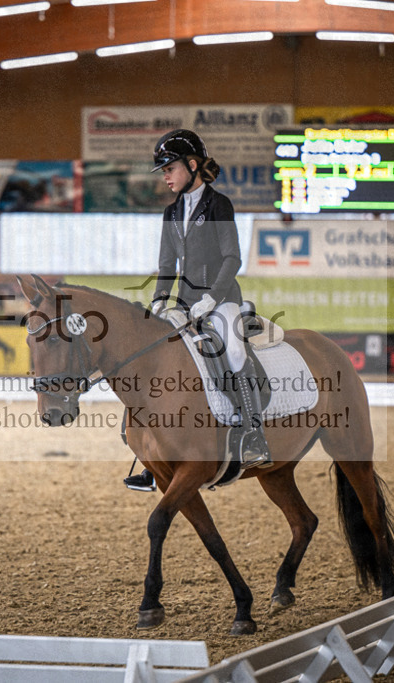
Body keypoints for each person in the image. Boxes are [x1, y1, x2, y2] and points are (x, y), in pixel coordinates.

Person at [124, 129, 271, 492]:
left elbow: (232, 257)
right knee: (154, 357)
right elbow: (166, 265)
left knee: (233, 350)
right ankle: (150, 454)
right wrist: (160, 299)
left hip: (221, 301)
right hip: (183, 305)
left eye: (170, 168)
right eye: (163, 171)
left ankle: (253, 435)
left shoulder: (219, 205)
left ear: (192, 165)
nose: (165, 176)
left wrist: (213, 298)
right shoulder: (171, 213)